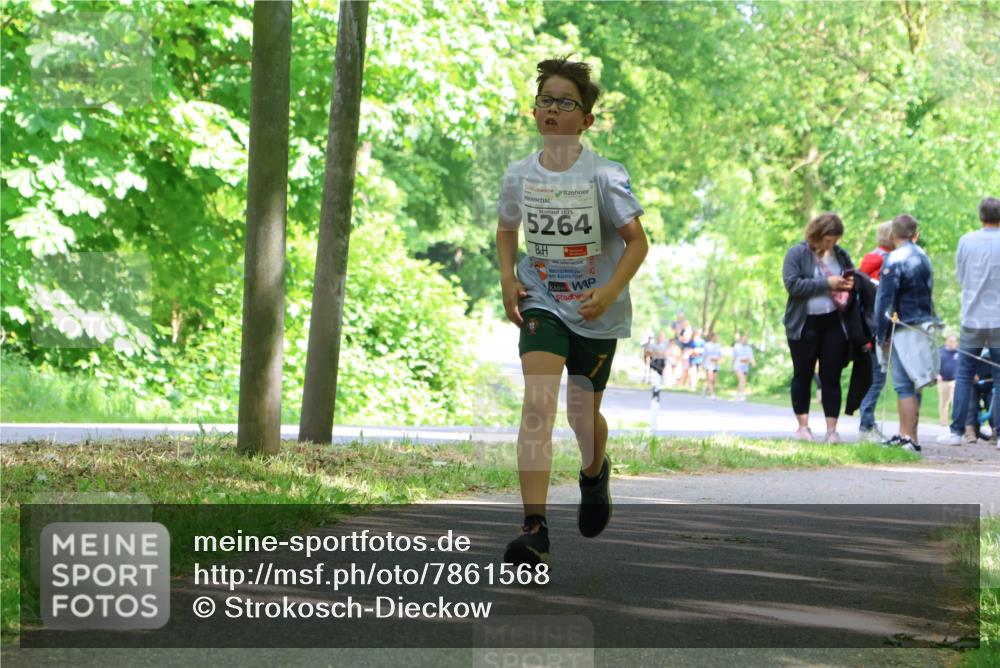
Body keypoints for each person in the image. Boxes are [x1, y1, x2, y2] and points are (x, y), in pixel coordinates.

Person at [496, 58, 649, 567]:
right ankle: (534, 527)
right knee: (538, 405)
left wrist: (608, 292)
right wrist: (506, 279)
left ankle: (593, 472)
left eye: (566, 103)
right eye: (546, 101)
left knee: (584, 416)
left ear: (585, 120)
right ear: (534, 111)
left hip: (595, 311)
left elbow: (636, 243)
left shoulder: (605, 176)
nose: (553, 110)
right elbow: (506, 231)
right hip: (542, 301)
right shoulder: (519, 174)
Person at [781, 212, 855, 443]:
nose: (831, 244)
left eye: (834, 239)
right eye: (827, 239)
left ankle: (832, 430)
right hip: (804, 322)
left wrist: (849, 284)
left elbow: (851, 279)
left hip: (833, 320)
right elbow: (792, 285)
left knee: (831, 375)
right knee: (802, 373)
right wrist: (826, 283)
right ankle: (803, 427)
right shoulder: (797, 253)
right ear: (817, 234)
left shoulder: (841, 256)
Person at [937, 197, 1000, 449]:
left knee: (964, 374)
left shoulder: (966, 241)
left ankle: (956, 431)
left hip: (972, 315)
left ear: (980, 216)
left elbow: (961, 277)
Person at [876, 214, 937, 452]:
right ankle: (908, 436)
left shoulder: (893, 259)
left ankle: (909, 439)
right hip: (924, 323)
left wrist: (881, 334)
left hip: (903, 327)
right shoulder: (923, 256)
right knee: (915, 382)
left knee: (903, 385)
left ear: (893, 235)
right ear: (916, 234)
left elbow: (885, 299)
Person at [858, 221, 894, 439]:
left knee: (876, 378)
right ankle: (865, 425)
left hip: (867, 329)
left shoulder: (869, 260)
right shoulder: (887, 263)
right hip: (879, 331)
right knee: (878, 380)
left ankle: (868, 422)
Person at [937, 336, 960, 427]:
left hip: (955, 381)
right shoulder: (941, 352)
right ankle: (943, 421)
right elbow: (935, 364)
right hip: (943, 381)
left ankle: (955, 420)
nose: (952, 343)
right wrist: (937, 374)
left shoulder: (959, 353)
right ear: (946, 342)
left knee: (955, 401)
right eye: (950, 341)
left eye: (954, 342)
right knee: (943, 402)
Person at [732, 334, 756, 401]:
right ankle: (741, 395)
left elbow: (751, 357)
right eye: (743, 339)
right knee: (742, 379)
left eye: (746, 339)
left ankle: (737, 395)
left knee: (743, 381)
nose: (745, 340)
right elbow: (734, 357)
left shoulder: (749, 348)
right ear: (740, 339)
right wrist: (732, 366)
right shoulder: (736, 347)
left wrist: (753, 363)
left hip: (745, 366)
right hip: (737, 365)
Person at [703, 332, 722, 399]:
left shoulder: (718, 346)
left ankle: (706, 390)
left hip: (715, 364)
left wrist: (719, 360)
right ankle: (712, 394)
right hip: (708, 364)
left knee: (714, 380)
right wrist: (702, 364)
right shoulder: (707, 345)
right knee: (710, 379)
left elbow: (720, 355)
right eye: (715, 337)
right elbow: (704, 355)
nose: (716, 338)